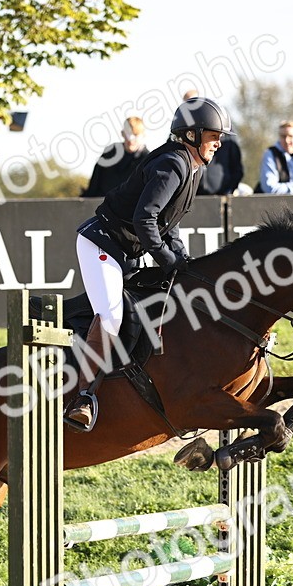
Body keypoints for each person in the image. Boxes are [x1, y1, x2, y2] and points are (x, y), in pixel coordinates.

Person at [63, 96, 235, 431]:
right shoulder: (172, 164)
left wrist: (181, 259)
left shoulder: (192, 166)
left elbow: (169, 223)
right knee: (111, 316)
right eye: (213, 135)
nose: (219, 142)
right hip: (102, 245)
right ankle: (82, 396)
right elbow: (146, 219)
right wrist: (167, 259)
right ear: (191, 135)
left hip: (124, 251)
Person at [179, 89, 243, 195]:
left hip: (221, 197)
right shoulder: (179, 132)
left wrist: (229, 191)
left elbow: (236, 165)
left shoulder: (224, 128)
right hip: (193, 197)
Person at [83, 117, 148, 197]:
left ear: (143, 135)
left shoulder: (147, 160)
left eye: (135, 134)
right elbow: (94, 184)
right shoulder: (109, 153)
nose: (130, 139)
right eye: (128, 133)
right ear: (122, 133)